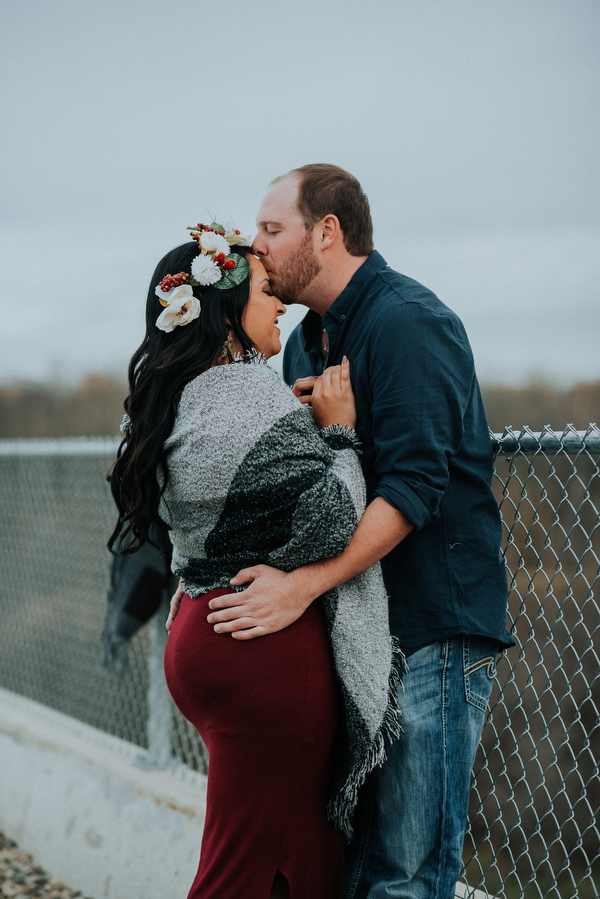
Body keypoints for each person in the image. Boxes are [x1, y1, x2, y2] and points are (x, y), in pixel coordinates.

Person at [192, 167, 515, 899]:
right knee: (352, 870)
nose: (256, 245)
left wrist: (300, 587)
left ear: (327, 231)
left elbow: (414, 491)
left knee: (406, 873)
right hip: (361, 632)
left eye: (272, 229)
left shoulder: (409, 323)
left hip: (433, 629)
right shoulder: (308, 341)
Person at [108, 221, 403, 899]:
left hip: (210, 637)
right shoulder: (246, 394)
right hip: (263, 658)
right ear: (226, 312)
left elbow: (252, 489)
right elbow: (331, 517)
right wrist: (337, 432)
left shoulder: (187, 396)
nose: (284, 306)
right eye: (269, 291)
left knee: (284, 859)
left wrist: (296, 431)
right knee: (248, 871)